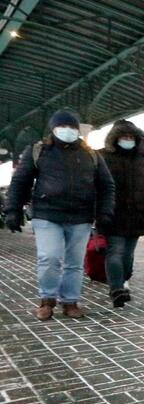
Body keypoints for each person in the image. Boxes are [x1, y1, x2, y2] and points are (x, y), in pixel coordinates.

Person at [3, 109, 115, 320]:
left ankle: (70, 302)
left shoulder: (91, 155)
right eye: (63, 126)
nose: (68, 130)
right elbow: (20, 182)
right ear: (53, 129)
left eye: (72, 127)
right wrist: (13, 210)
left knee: (74, 263)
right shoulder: (38, 151)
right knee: (49, 257)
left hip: (81, 216)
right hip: (47, 215)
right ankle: (47, 300)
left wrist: (105, 213)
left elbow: (107, 186)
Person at [97, 120, 144, 308]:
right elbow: (92, 184)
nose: (128, 140)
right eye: (124, 136)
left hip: (136, 216)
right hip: (111, 215)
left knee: (127, 256)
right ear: (115, 138)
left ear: (137, 139)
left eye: (131, 137)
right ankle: (116, 289)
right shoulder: (101, 157)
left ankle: (122, 279)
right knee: (115, 252)